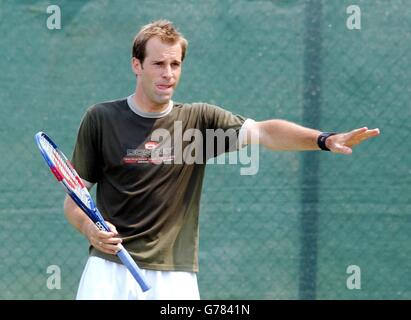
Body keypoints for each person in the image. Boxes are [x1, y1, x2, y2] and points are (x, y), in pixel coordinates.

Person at [64, 19, 380, 300]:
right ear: (137, 65)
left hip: (175, 274)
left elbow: (265, 133)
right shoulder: (101, 119)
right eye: (159, 64)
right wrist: (90, 230)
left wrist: (323, 140)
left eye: (175, 64)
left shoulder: (199, 120)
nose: (168, 74)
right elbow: (74, 202)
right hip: (108, 269)